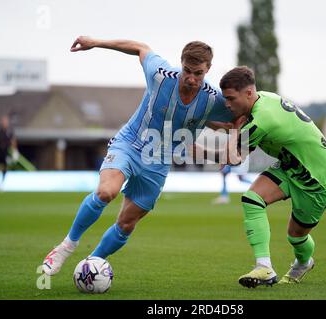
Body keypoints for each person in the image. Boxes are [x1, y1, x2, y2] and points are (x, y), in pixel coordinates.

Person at [42, 36, 233, 275]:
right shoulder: (161, 75)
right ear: (180, 63)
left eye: (198, 73)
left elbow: (237, 118)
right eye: (187, 71)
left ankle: (92, 265)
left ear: (208, 70)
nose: (192, 79)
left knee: (126, 223)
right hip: (130, 143)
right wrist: (96, 42)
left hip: (159, 160)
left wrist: (237, 147)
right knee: (105, 192)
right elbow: (140, 47)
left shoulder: (213, 98)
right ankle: (66, 247)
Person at [216, 66, 326, 287]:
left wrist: (233, 129)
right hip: (289, 166)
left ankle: (303, 263)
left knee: (296, 236)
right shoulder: (264, 100)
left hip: (317, 177)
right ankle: (264, 267)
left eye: (230, 98)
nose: (227, 104)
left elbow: (233, 159)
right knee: (252, 199)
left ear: (248, 93)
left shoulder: (262, 119)